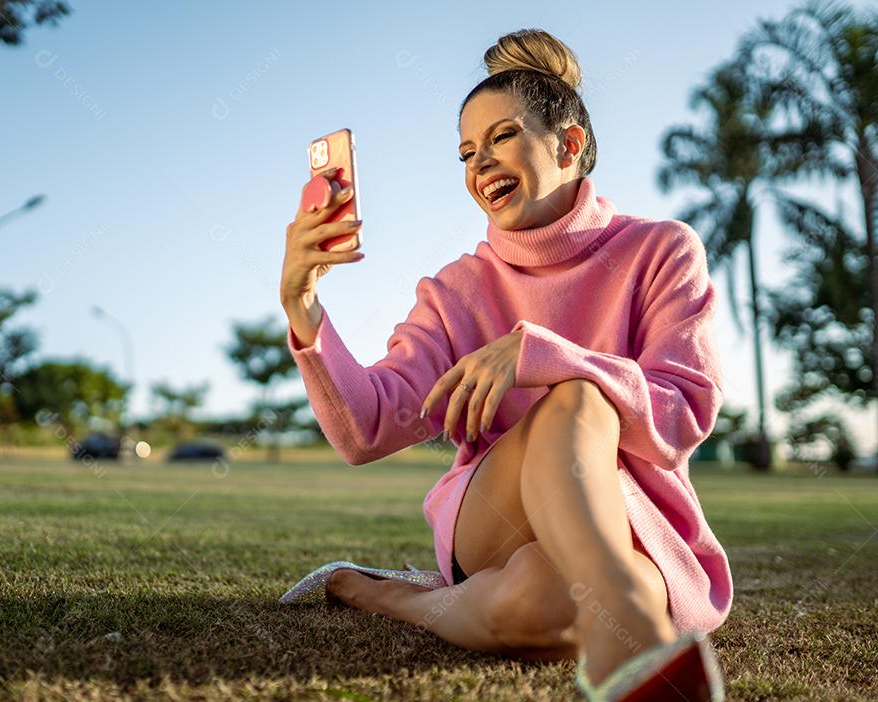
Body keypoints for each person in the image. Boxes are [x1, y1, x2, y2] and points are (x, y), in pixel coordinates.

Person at [279, 28, 730, 701]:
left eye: (501, 138)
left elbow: (684, 408)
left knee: (544, 601)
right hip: (494, 515)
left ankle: (390, 598)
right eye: (467, 151)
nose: (479, 163)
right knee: (577, 403)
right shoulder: (457, 288)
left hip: (630, 517)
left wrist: (546, 355)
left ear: (569, 144)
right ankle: (628, 647)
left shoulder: (663, 251)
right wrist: (302, 303)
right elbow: (366, 428)